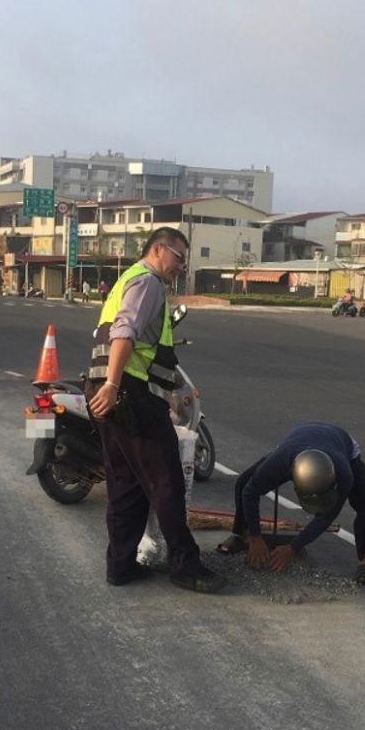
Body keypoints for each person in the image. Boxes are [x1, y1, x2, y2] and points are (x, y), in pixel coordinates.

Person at [86, 228, 226, 593]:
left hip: (108, 390)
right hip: (129, 394)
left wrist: (107, 386)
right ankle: (185, 566)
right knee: (166, 481)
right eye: (179, 257)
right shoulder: (147, 282)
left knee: (124, 483)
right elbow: (125, 332)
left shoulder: (126, 280)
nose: (182, 266)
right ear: (159, 250)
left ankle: (120, 565)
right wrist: (115, 386)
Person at [216, 422, 365, 585]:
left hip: (339, 443)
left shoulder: (344, 473)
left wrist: (292, 548)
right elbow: (250, 492)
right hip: (296, 442)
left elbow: (326, 516)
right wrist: (255, 537)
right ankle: (240, 534)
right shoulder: (281, 462)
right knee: (244, 483)